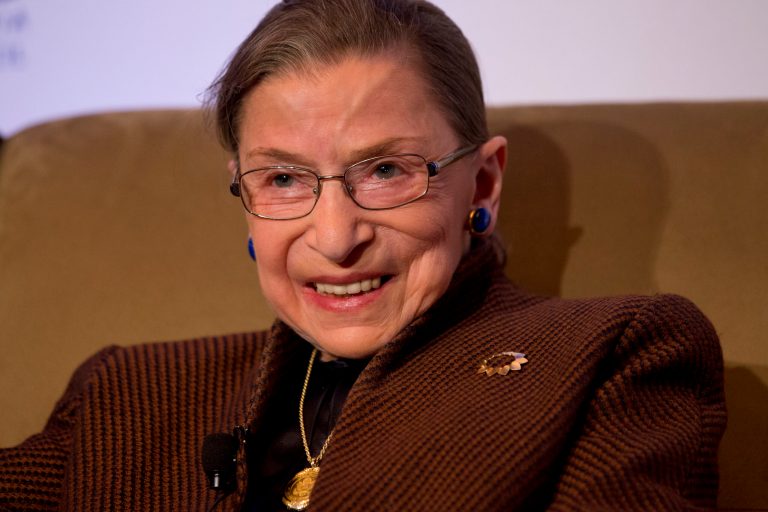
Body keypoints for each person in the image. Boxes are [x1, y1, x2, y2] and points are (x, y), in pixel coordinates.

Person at [0, 0, 726, 511]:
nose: (335, 237)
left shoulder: (612, 357)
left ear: (482, 183)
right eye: (283, 179)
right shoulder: (124, 393)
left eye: (384, 170)